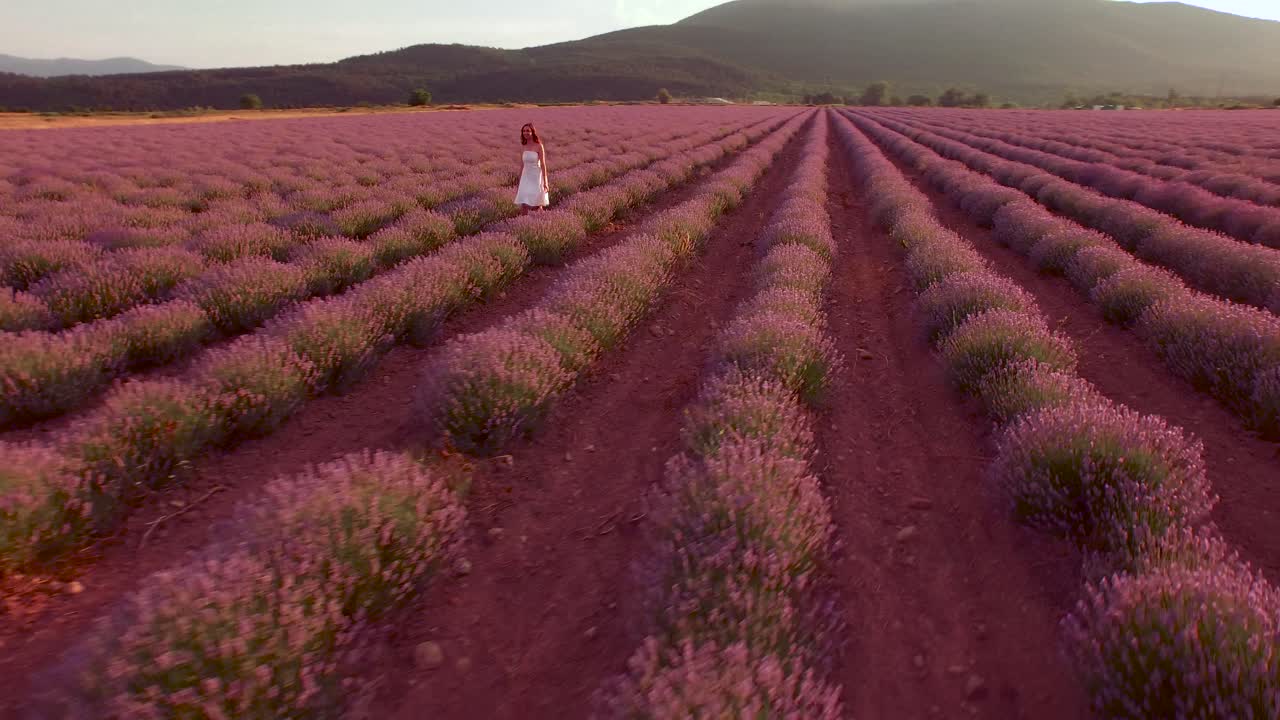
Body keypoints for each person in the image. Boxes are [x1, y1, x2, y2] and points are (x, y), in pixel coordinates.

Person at [515, 123, 550, 214]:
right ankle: (524, 223)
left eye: (528, 131)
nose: (525, 133)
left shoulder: (539, 146)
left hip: (536, 176)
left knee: (537, 203)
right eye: (524, 131)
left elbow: (543, 164)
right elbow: (522, 165)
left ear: (532, 132)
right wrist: (519, 180)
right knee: (524, 202)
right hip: (525, 177)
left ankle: (541, 222)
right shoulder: (523, 146)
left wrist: (545, 182)